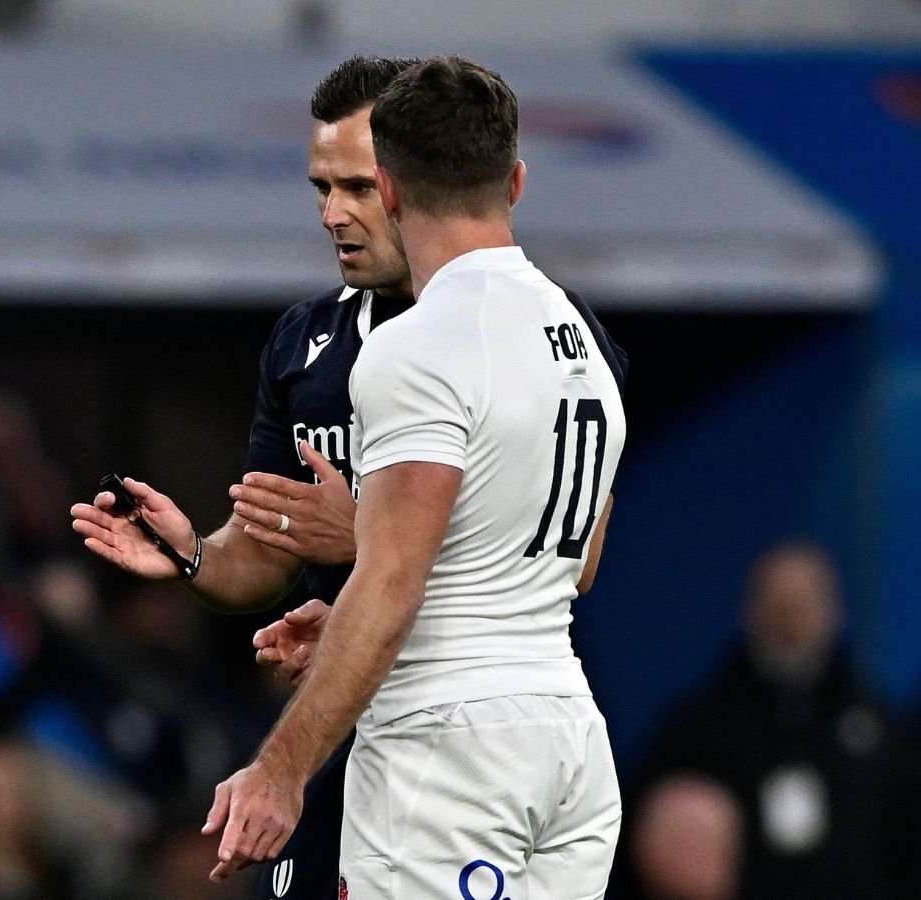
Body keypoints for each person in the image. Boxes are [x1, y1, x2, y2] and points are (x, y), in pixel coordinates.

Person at [203, 56, 628, 895]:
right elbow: (556, 567)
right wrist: (346, 625)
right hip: (569, 740)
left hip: (449, 747)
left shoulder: (419, 345)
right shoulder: (581, 337)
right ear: (515, 180)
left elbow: (391, 583)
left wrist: (280, 770)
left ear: (392, 192)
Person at [69, 55, 417, 900]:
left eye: (357, 188)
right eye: (320, 189)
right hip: (335, 730)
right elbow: (265, 555)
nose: (331, 214)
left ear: (422, 181)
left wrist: (364, 537)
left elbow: (571, 559)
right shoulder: (304, 344)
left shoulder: (512, 333)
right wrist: (193, 554)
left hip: (470, 723)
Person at [634, 541, 921, 899]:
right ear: (748, 610)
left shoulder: (882, 732)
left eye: (802, 606)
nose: (790, 622)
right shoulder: (695, 732)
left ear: (834, 612)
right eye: (778, 605)